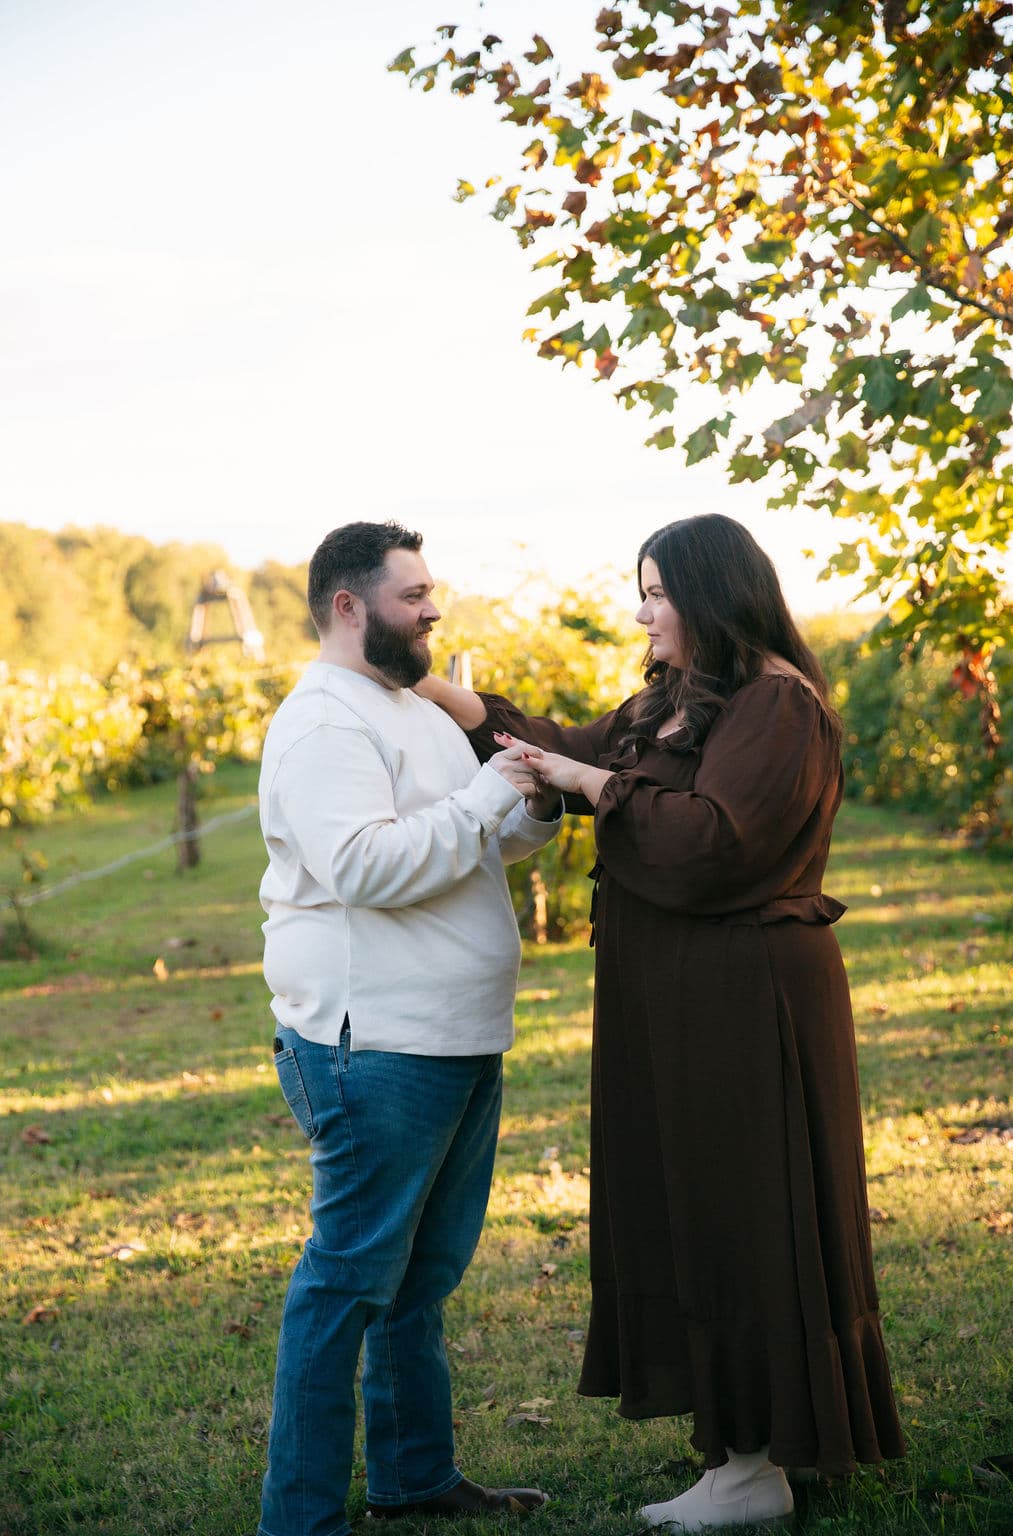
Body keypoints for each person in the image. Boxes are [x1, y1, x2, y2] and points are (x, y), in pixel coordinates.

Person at [417, 513, 906, 1532]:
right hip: (681, 997)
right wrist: (432, 689)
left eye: (656, 593)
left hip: (746, 998)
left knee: (743, 1212)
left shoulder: (778, 703)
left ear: (712, 593)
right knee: (696, 1207)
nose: (642, 613)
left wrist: (592, 786)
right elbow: (560, 746)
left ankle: (753, 1465)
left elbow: (712, 842)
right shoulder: (677, 700)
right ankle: (762, 1442)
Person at [256, 521, 561, 1536]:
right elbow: (367, 867)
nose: (434, 610)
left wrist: (527, 807)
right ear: (348, 606)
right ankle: (299, 1520)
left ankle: (415, 1480)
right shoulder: (324, 723)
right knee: (347, 1285)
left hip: (455, 1036)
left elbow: (464, 843)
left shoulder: (414, 706)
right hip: (374, 1045)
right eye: (413, 594)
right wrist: (482, 797)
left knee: (418, 1282)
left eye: (432, 591)